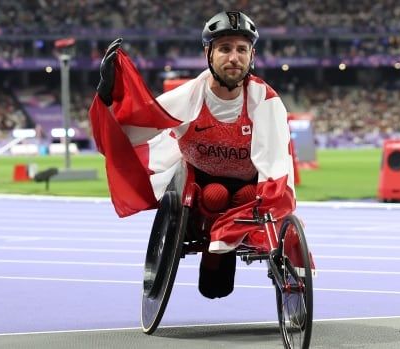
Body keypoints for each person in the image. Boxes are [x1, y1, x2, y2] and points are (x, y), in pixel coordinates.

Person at [89, 11, 296, 299]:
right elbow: (125, 134)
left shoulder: (266, 100)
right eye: (225, 49)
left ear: (252, 55)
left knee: (242, 196)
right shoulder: (188, 97)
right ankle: (213, 249)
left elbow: (276, 164)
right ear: (208, 53)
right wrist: (108, 98)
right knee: (215, 195)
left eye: (241, 49)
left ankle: (224, 246)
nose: (234, 57)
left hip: (250, 189)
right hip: (201, 187)